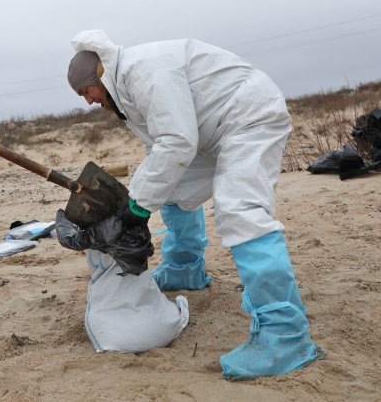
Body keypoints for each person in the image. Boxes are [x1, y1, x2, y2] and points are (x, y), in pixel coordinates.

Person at [66, 30, 318, 380]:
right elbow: (159, 152)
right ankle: (185, 268)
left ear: (98, 76)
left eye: (85, 92)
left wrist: (137, 210)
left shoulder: (143, 71)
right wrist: (135, 201)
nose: (89, 101)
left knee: (239, 212)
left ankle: (285, 334)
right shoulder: (125, 91)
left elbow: (177, 143)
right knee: (171, 190)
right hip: (210, 134)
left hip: (247, 117)